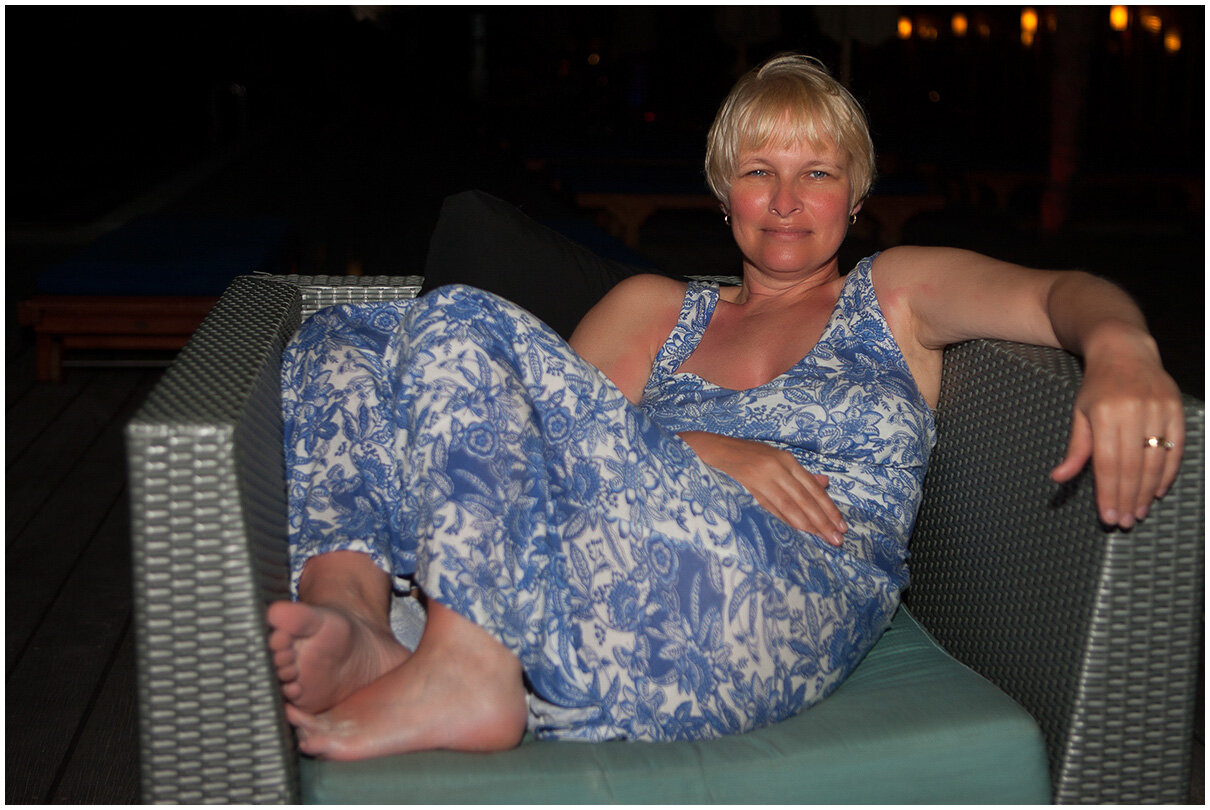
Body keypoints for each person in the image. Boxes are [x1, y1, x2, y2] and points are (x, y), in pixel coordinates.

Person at [266, 54, 1185, 761]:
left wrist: (1122, 350)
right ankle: (359, 619)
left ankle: (468, 667)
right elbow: (527, 448)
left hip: (770, 597)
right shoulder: (652, 310)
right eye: (759, 171)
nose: (786, 201)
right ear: (722, 191)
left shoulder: (894, 294)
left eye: (817, 173)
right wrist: (701, 447)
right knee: (341, 335)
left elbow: (1061, 293)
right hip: (589, 593)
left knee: (462, 317)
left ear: (857, 195)